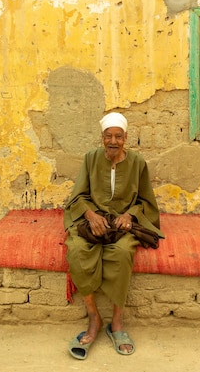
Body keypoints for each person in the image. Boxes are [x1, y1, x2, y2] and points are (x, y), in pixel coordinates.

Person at [64, 112, 164, 359]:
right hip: (93, 220)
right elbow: (77, 197)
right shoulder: (90, 158)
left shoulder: (138, 162)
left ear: (125, 138)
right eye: (108, 136)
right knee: (77, 250)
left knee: (121, 253)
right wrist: (90, 216)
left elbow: (145, 201)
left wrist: (130, 215)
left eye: (118, 136)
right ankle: (94, 318)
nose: (113, 141)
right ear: (102, 137)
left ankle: (117, 322)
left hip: (122, 223)